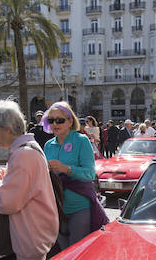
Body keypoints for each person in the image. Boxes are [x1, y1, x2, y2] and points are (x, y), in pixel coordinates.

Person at [0, 100, 60, 260]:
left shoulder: (23, 154)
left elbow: (7, 202)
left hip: (32, 239)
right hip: (38, 235)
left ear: (6, 128)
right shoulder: (28, 148)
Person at [41, 101, 107, 248]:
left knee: (75, 254)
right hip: (56, 208)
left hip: (79, 208)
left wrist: (67, 169)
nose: (55, 124)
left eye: (60, 120)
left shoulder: (81, 141)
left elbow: (90, 174)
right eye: (51, 120)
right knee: (63, 254)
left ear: (70, 121)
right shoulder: (48, 145)